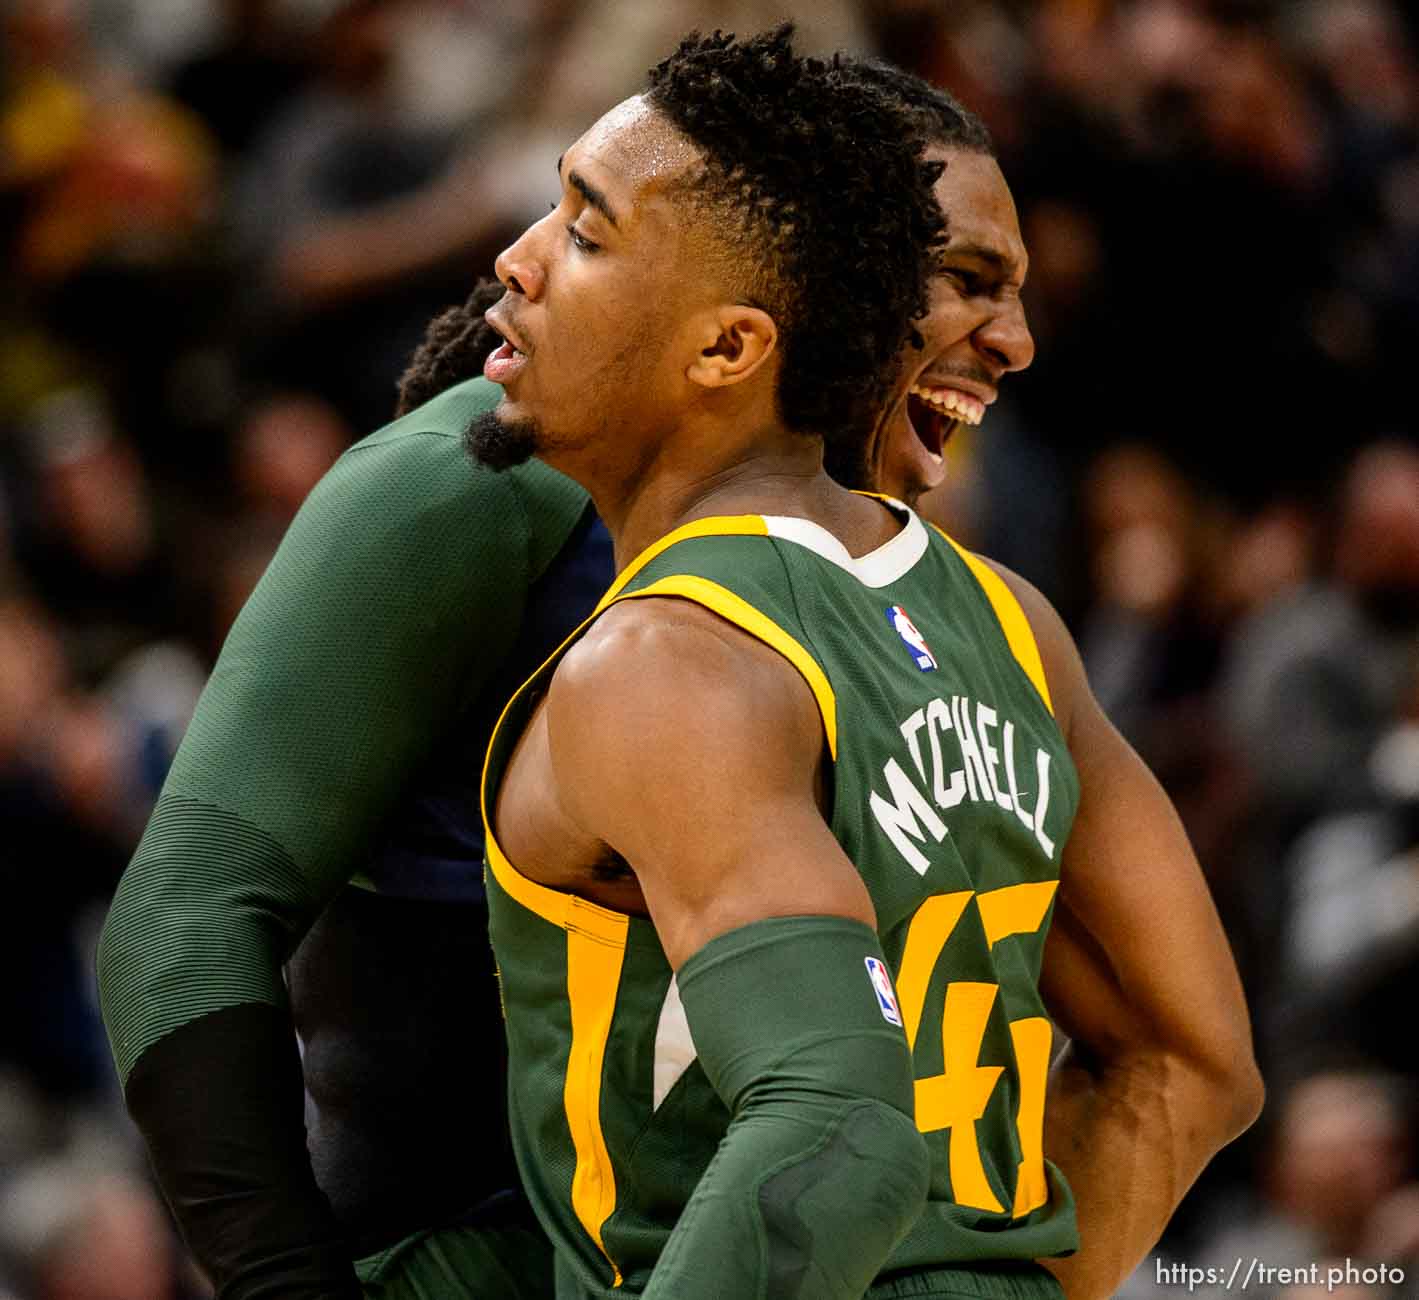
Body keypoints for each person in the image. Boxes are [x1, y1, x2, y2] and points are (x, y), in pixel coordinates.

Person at [93, 39, 1002, 1300]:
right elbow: (180, 920)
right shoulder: (473, 483)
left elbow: (1177, 1052)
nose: (1003, 335)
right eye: (956, 276)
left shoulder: (922, 585)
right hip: (463, 1242)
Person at [472, 26, 1262, 1300]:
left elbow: (840, 1135)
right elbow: (1199, 1057)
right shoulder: (1014, 624)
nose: (515, 259)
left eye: (582, 227)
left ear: (731, 344)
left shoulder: (664, 660)